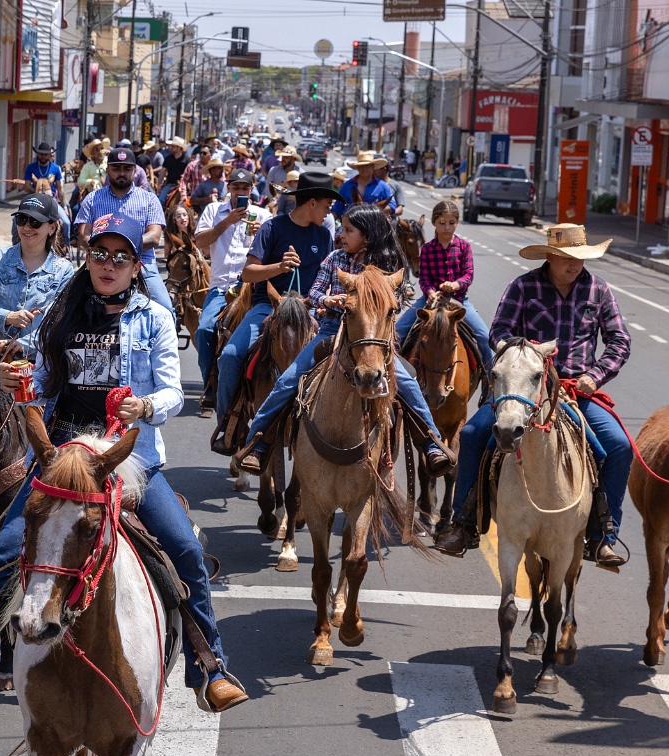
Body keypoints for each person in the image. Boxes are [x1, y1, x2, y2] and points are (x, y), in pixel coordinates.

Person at [0, 213, 250, 715]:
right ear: (88, 258)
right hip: (61, 457)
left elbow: (171, 392)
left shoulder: (154, 318)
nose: (108, 265)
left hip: (130, 460)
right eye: (99, 254)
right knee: (6, 549)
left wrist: (145, 407)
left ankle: (210, 666)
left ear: (136, 265)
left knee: (184, 548)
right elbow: (36, 372)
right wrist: (19, 384)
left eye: (120, 256)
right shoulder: (63, 312)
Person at [433, 223, 632, 568]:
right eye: (568, 258)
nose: (575, 265)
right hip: (524, 389)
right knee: (472, 434)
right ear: (551, 257)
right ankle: (463, 524)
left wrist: (594, 376)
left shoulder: (598, 291)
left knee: (618, 447)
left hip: (574, 391)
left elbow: (619, 341)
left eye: (580, 259)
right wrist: (525, 354)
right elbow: (499, 331)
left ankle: (603, 536)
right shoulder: (523, 287)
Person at [236, 203, 451, 474]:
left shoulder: (390, 265)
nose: (341, 235)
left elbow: (398, 298)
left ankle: (431, 443)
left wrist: (363, 301)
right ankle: (256, 443)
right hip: (331, 330)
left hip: (374, 337)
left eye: (349, 230)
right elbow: (314, 292)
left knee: (408, 383)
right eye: (341, 229)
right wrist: (327, 299)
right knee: (288, 380)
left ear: (368, 235)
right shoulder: (334, 258)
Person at [216, 173, 340, 421]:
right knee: (230, 356)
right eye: (327, 206)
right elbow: (248, 273)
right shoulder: (271, 228)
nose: (329, 212)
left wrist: (327, 300)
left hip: (309, 308)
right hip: (268, 306)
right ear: (312, 202)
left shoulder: (324, 236)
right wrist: (279, 267)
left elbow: (326, 280)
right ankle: (227, 420)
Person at [192, 167, 272, 406]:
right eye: (236, 188)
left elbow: (273, 254)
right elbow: (200, 241)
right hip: (221, 287)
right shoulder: (214, 210)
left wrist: (262, 236)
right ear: (228, 187)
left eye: (245, 188)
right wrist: (225, 223)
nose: (240, 192)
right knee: (205, 330)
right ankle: (210, 385)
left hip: (253, 287)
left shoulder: (263, 215)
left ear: (251, 189)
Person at [0, 193, 75, 361]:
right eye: (22, 219)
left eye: (35, 222)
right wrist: (8, 317)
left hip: (38, 363)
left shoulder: (63, 270)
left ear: (52, 227)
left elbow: (58, 322)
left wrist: (24, 345)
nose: (27, 227)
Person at [395, 200, 494, 369]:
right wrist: (431, 292)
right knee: (398, 331)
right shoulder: (427, 249)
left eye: (451, 223)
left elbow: (468, 275)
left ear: (457, 223)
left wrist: (456, 285)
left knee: (485, 337)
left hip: (459, 301)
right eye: (442, 223)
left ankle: (491, 386)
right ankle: (392, 375)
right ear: (434, 223)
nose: (447, 227)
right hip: (430, 301)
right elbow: (424, 278)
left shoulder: (464, 247)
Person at [72, 146, 171, 311]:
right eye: (116, 168)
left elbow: (154, 237)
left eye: (127, 168)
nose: (122, 173)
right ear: (108, 169)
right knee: (68, 306)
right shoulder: (92, 199)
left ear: (135, 170)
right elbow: (84, 237)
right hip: (100, 263)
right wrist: (109, 252)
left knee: (166, 308)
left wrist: (121, 250)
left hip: (142, 264)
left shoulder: (149, 199)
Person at [334, 151, 397, 218]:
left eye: (367, 166)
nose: (364, 168)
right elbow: (338, 207)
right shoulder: (346, 186)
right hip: (350, 223)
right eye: (361, 166)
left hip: (375, 222)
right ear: (358, 168)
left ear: (373, 167)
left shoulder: (383, 186)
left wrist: (372, 213)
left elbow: (392, 205)